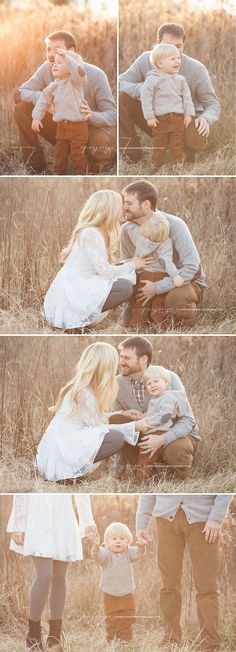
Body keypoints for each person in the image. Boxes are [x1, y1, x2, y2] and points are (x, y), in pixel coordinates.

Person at [43, 190, 154, 330]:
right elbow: (106, 272)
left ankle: (86, 323)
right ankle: (78, 323)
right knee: (124, 287)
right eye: (120, 206)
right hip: (73, 289)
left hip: (84, 283)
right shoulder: (91, 233)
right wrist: (133, 264)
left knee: (125, 280)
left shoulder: (101, 232)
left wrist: (130, 263)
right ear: (108, 210)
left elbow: (105, 267)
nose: (124, 209)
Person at [136, 494, 232, 651]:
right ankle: (170, 641)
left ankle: (211, 645)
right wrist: (141, 524)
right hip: (165, 519)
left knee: (207, 587)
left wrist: (216, 518)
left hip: (204, 520)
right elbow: (148, 491)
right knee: (168, 585)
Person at [36, 342, 141, 483]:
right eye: (113, 364)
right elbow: (98, 428)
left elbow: (93, 418)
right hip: (62, 446)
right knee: (115, 438)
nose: (116, 367)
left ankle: (73, 472)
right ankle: (69, 473)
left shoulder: (83, 387)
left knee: (112, 434)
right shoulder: (83, 393)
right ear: (104, 367)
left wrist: (123, 414)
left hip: (65, 441)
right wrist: (134, 427)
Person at [14, 30, 116, 173]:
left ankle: (90, 162)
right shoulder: (47, 68)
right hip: (62, 127)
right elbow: (19, 94)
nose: (50, 54)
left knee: (99, 147)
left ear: (71, 51)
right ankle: (35, 166)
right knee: (22, 108)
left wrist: (90, 115)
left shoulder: (95, 74)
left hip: (87, 130)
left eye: (56, 50)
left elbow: (113, 115)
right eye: (48, 49)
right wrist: (45, 100)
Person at [7, 493, 98, 651]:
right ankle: (33, 636)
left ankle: (54, 639)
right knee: (45, 574)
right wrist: (18, 524)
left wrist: (88, 521)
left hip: (63, 515)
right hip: (37, 514)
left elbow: (81, 493)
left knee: (59, 577)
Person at [119, 22, 220, 163]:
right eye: (168, 45)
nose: (174, 51)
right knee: (122, 98)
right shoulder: (145, 59)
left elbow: (212, 104)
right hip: (157, 119)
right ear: (157, 43)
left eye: (178, 47)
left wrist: (205, 118)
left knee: (195, 138)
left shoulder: (197, 69)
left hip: (185, 122)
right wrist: (143, 90)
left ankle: (184, 153)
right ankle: (132, 157)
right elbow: (121, 82)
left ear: (184, 45)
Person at [109, 336, 200, 480]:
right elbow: (118, 427)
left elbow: (188, 420)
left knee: (177, 450)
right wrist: (119, 468)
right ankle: (147, 475)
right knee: (116, 419)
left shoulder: (168, 377)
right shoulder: (117, 383)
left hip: (173, 434)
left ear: (143, 359)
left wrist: (162, 439)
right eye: (121, 357)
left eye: (126, 358)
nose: (121, 362)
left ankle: (177, 478)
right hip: (143, 434)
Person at [121, 180, 207, 329]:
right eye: (124, 202)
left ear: (146, 205)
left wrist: (157, 288)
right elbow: (127, 267)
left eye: (129, 203)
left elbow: (193, 268)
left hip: (184, 281)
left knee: (176, 299)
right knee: (130, 320)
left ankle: (185, 328)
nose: (124, 207)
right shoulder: (126, 230)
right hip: (146, 281)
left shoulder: (174, 225)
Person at [31, 49, 88, 175]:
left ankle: (79, 173)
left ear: (70, 68)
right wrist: (36, 117)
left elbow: (80, 73)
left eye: (60, 62)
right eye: (54, 63)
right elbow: (43, 99)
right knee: (60, 153)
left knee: (78, 154)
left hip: (79, 126)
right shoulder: (54, 85)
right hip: (62, 127)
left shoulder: (75, 82)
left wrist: (67, 57)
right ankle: (58, 172)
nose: (54, 65)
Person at [134, 365, 193, 481]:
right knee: (146, 455)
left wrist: (146, 422)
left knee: (146, 455)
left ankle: (140, 480)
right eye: (149, 384)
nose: (153, 385)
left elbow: (163, 416)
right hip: (155, 430)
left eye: (156, 381)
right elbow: (154, 412)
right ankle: (145, 477)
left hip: (160, 431)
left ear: (166, 383)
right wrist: (143, 416)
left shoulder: (168, 397)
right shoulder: (157, 398)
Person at [140, 43, 195, 168]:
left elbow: (187, 98)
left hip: (177, 118)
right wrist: (149, 116)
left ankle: (177, 164)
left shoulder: (180, 79)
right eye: (173, 59)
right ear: (160, 64)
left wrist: (188, 114)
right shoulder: (152, 79)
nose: (178, 61)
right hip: (160, 120)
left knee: (177, 143)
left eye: (178, 58)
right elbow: (146, 98)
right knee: (159, 143)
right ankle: (156, 164)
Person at [128, 211, 183, 329]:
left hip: (144, 276)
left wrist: (133, 216)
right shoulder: (165, 242)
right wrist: (174, 275)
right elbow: (167, 261)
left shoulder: (139, 237)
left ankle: (135, 327)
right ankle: (161, 328)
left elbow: (130, 227)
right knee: (158, 305)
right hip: (161, 277)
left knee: (141, 303)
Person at [91, 522, 145, 642]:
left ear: (128, 541)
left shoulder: (128, 552)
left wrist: (141, 547)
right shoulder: (105, 553)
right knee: (112, 619)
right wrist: (95, 547)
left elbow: (137, 554)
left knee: (128, 617)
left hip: (127, 593)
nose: (118, 541)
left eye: (122, 538)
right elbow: (97, 556)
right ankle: (112, 640)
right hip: (110, 595)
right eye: (114, 539)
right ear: (107, 542)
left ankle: (125, 641)